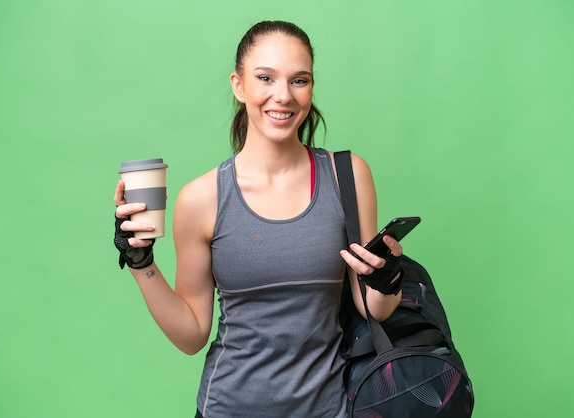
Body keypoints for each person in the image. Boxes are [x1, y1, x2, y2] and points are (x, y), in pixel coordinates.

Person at [113, 20, 405, 418]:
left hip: (328, 410)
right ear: (239, 85)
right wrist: (140, 263)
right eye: (265, 77)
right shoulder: (201, 199)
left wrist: (388, 279)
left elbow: (374, 308)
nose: (282, 96)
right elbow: (192, 335)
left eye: (299, 80)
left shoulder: (348, 176)